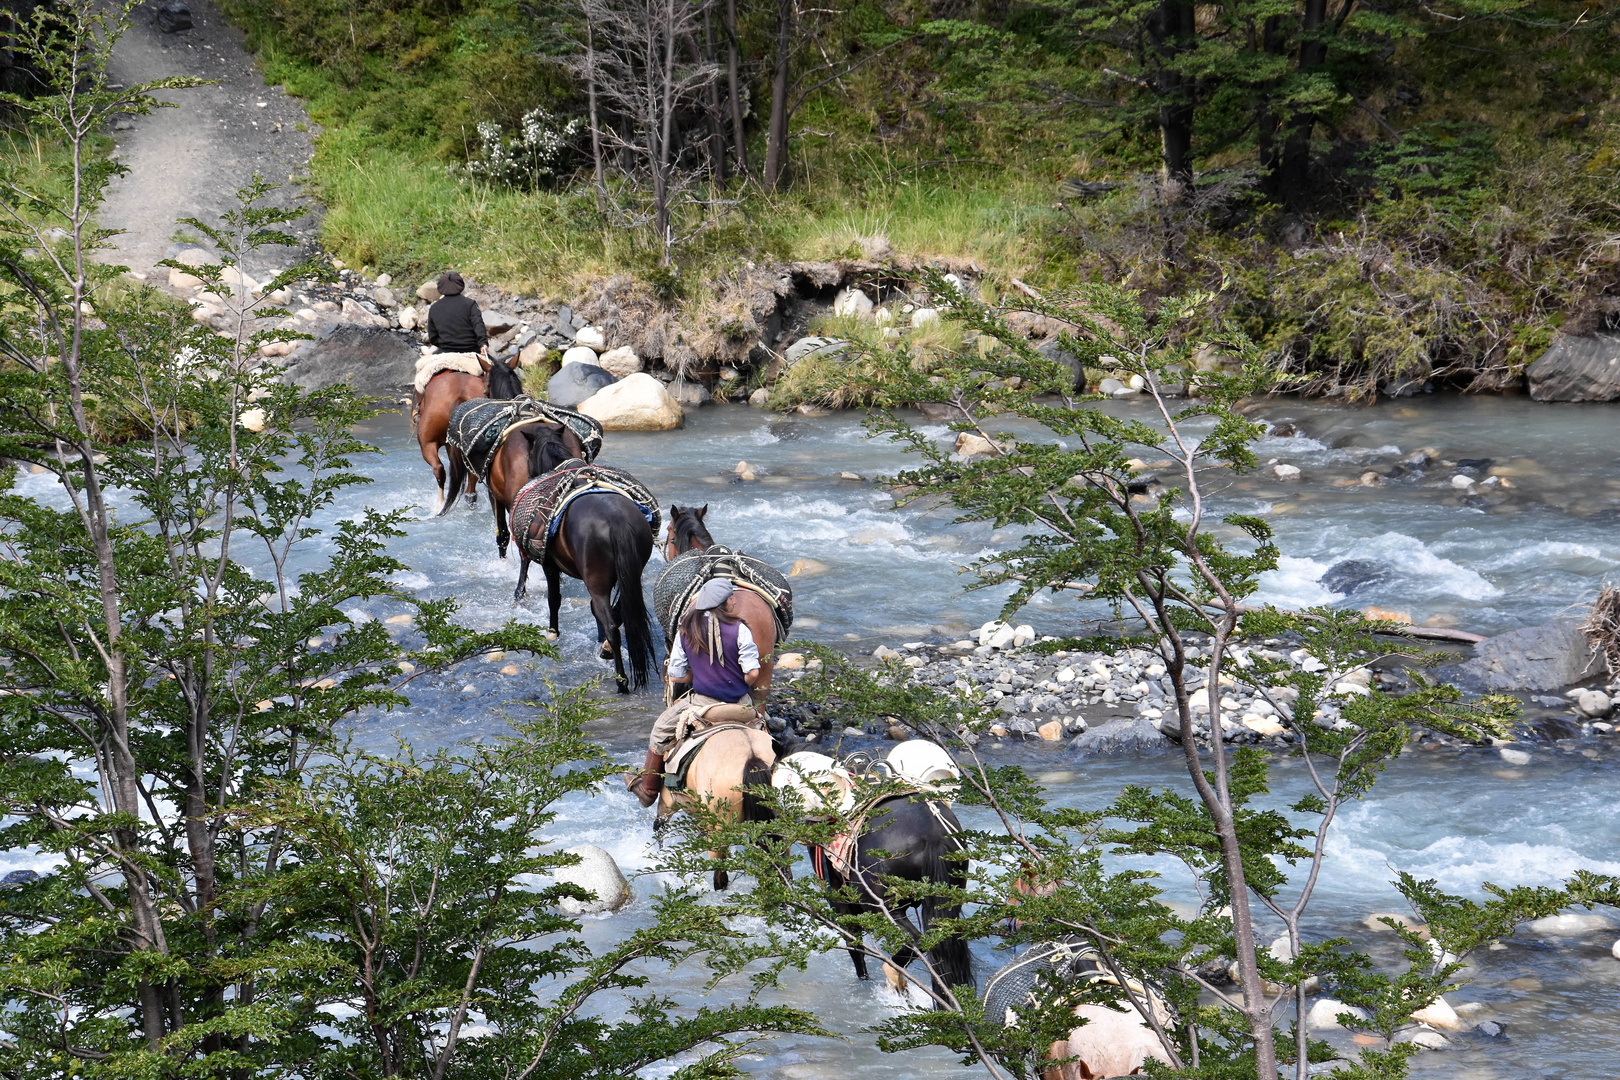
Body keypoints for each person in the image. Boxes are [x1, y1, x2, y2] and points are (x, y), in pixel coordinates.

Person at [627, 578, 764, 806]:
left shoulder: (685, 630)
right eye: (731, 598)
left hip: (702, 703)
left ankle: (649, 790)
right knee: (764, 729)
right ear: (724, 602)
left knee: (660, 730)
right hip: (739, 702)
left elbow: (676, 675)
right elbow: (752, 674)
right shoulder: (740, 629)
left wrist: (696, 675)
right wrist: (735, 679)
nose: (733, 601)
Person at [426, 271, 488, 354]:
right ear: (460, 285)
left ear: (441, 287)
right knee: (498, 366)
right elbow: (478, 324)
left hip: (445, 352)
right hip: (471, 350)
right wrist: (483, 343)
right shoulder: (470, 304)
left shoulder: (434, 308)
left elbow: (433, 337)